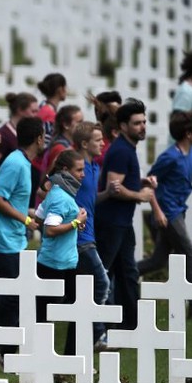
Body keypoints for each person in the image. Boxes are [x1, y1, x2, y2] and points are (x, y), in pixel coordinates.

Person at [0, 117, 42, 364]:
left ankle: (3, 348)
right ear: (39, 139)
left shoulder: (22, 163)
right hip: (2, 239)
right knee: (12, 295)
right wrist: (25, 220)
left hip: (12, 239)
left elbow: (14, 201)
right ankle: (2, 349)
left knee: (13, 294)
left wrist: (35, 216)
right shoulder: (17, 163)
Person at [137, 111, 192, 316]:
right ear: (188, 134)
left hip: (179, 210)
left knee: (158, 261)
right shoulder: (169, 157)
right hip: (168, 213)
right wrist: (157, 211)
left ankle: (124, 274)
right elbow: (150, 183)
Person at [95, 99, 155, 330]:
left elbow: (120, 181)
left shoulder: (127, 148)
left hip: (121, 223)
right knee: (102, 276)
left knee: (128, 273)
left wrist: (139, 181)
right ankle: (94, 326)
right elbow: (114, 187)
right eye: (137, 123)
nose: (142, 127)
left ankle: (131, 325)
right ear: (122, 126)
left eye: (144, 122)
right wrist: (139, 195)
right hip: (111, 223)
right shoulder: (121, 150)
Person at [34, 150, 87, 356]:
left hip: (59, 261)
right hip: (56, 264)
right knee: (64, 312)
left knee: (47, 313)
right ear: (65, 170)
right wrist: (75, 222)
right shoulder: (60, 197)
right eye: (79, 170)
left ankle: (63, 356)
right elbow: (50, 229)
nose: (83, 174)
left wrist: (72, 221)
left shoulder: (56, 191)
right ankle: (65, 357)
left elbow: (40, 218)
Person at [69, 122, 113, 350]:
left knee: (74, 294)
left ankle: (81, 340)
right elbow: (47, 189)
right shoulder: (75, 169)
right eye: (98, 140)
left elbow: (90, 199)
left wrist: (108, 193)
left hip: (90, 236)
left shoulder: (94, 166)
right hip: (79, 239)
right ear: (85, 143)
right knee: (103, 282)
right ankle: (97, 333)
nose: (103, 143)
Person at [0, 92, 39, 184]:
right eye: (33, 111)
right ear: (20, 110)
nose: (36, 115)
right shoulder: (5, 134)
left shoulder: (20, 133)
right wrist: (3, 185)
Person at [42, 105, 84, 175]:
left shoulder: (70, 144)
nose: (83, 125)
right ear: (66, 125)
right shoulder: (60, 148)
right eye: (79, 122)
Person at [36, 73, 67, 148]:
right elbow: (46, 144)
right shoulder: (50, 114)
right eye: (65, 87)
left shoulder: (41, 107)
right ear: (60, 90)